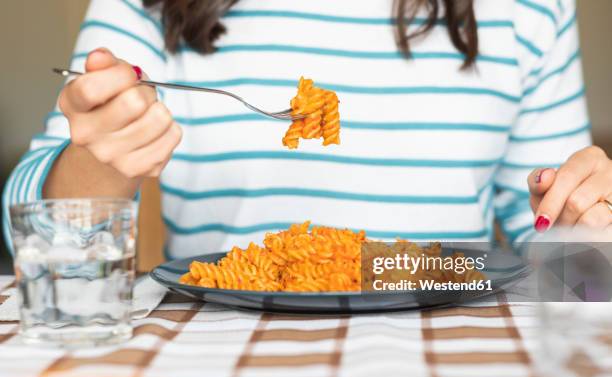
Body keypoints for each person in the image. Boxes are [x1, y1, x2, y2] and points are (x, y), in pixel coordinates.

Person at [3, 0, 611, 258]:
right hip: (214, 369)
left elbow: (559, 261)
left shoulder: (530, 8)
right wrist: (105, 158)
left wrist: (589, 221)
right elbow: (35, 240)